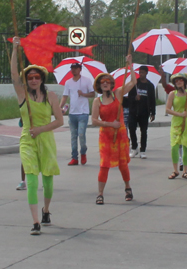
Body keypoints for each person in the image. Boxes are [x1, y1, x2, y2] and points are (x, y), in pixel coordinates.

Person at [10, 37, 64, 236]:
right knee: (32, 180)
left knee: (48, 182)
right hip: (28, 140)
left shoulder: (51, 96)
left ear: (42, 79)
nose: (33, 80)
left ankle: (46, 211)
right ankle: (35, 222)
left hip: (46, 139)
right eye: (30, 77)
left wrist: (41, 129)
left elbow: (59, 121)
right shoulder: (22, 93)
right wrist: (16, 49)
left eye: (37, 77)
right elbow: (14, 73)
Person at [91, 57, 136, 205]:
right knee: (104, 165)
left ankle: (128, 188)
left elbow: (133, 82)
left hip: (121, 135)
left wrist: (130, 65)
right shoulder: (97, 101)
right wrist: (110, 124)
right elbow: (94, 120)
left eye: (107, 81)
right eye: (102, 82)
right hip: (106, 137)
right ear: (99, 85)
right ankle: (100, 193)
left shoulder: (117, 94)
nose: (105, 83)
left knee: (123, 164)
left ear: (111, 84)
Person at [59, 63, 95, 166]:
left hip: (83, 112)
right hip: (72, 113)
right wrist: (59, 107)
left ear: (80, 69)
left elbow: (92, 94)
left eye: (76, 68)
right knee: (73, 136)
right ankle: (74, 157)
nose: (73, 70)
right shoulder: (68, 82)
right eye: (72, 68)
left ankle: (83, 151)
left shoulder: (86, 81)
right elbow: (65, 96)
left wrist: (83, 94)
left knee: (81, 134)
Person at [165, 73, 187, 179]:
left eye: (180, 80)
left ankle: (185, 170)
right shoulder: (172, 94)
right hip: (176, 122)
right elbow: (167, 109)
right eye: (176, 80)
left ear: (184, 81)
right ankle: (175, 170)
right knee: (174, 146)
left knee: (186, 146)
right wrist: (179, 114)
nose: (178, 82)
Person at [128, 66, 156, 159]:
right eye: (140, 72)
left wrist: (153, 112)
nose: (141, 74)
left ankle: (143, 150)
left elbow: (152, 99)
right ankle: (134, 147)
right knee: (132, 129)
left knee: (144, 131)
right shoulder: (135, 84)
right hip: (133, 111)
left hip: (144, 112)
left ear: (146, 73)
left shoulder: (150, 85)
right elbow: (129, 97)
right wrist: (135, 98)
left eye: (143, 72)